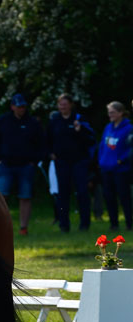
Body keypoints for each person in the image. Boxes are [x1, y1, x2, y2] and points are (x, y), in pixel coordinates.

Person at [0, 93, 45, 236]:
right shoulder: (3, 121)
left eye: (23, 106)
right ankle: (0, 227)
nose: (22, 109)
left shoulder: (32, 123)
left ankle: (23, 227)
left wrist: (34, 161)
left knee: (25, 196)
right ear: (12, 106)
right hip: (5, 165)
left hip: (26, 166)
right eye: (19, 106)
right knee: (1, 196)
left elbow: (40, 143)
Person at [47, 93, 96, 233]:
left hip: (79, 161)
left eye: (65, 103)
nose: (62, 106)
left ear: (71, 104)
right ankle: (64, 225)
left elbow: (90, 140)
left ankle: (85, 224)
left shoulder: (80, 119)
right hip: (61, 162)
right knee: (63, 194)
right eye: (60, 104)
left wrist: (79, 131)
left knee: (82, 192)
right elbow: (47, 140)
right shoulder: (54, 121)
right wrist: (50, 154)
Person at [97, 101, 133, 231]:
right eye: (109, 112)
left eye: (112, 112)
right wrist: (101, 160)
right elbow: (102, 145)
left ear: (120, 113)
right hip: (106, 168)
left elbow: (130, 149)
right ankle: (114, 223)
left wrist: (120, 161)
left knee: (124, 197)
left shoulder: (129, 128)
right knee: (109, 196)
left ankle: (129, 223)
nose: (110, 115)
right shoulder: (108, 127)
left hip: (121, 169)